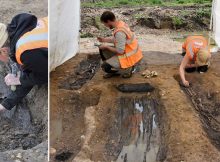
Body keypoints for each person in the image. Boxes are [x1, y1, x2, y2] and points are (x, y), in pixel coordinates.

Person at [0, 13, 48, 112]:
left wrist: (20, 80)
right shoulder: (19, 28)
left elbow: (43, 76)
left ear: (3, 50)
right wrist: (6, 105)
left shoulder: (26, 52)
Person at [97, 11, 143, 78]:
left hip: (129, 57)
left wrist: (107, 47)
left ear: (108, 21)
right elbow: (119, 40)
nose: (105, 26)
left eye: (105, 24)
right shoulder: (121, 24)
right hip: (131, 52)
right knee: (103, 50)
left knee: (105, 67)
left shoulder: (119, 32)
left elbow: (120, 51)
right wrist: (104, 40)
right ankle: (118, 66)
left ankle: (128, 69)